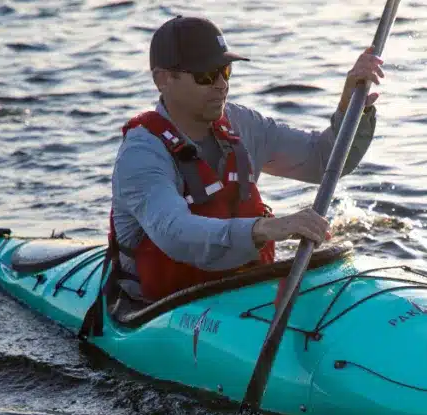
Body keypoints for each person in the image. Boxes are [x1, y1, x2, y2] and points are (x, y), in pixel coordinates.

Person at [107, 15, 383, 304]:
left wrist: (351, 109)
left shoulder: (242, 123)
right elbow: (175, 232)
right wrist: (264, 228)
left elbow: (322, 160)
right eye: (205, 75)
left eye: (224, 71)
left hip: (245, 292)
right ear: (163, 79)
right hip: (161, 308)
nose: (220, 85)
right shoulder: (141, 154)